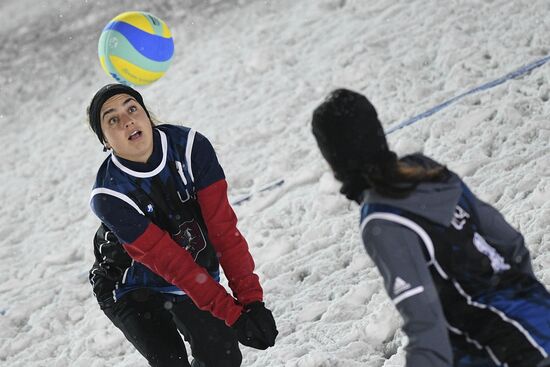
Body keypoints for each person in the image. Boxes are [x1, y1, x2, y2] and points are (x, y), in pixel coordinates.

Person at [310, 88, 550, 367]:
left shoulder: (382, 220)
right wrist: (526, 303)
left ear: (335, 159)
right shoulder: (426, 170)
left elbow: (426, 326)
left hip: (506, 349)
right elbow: (510, 242)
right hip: (539, 315)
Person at [86, 83, 278, 367]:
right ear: (105, 141)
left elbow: (223, 231)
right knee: (171, 361)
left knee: (223, 360)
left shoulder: (191, 148)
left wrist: (252, 301)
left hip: (190, 275)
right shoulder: (109, 196)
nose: (127, 120)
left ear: (146, 116)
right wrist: (233, 314)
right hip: (130, 287)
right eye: (112, 119)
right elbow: (173, 263)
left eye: (132, 108)